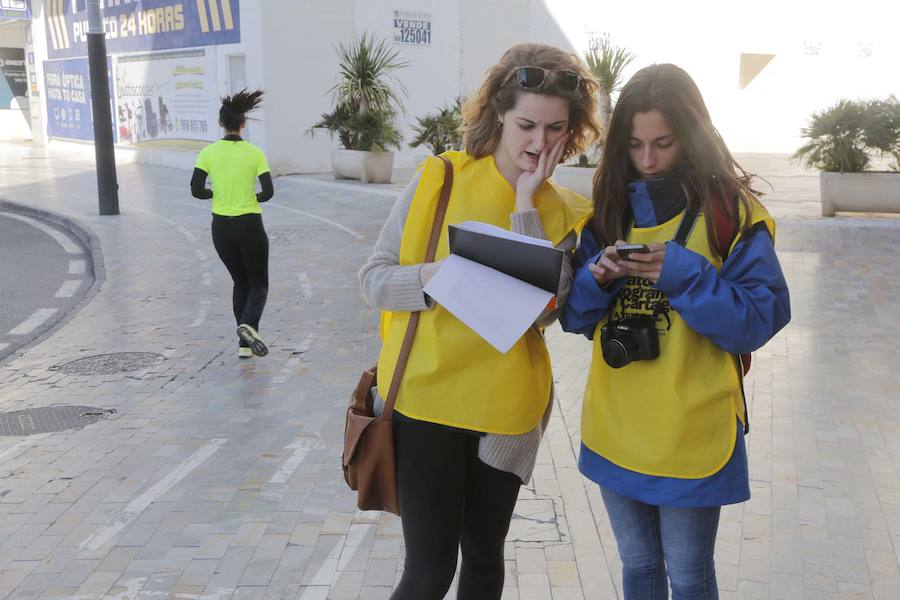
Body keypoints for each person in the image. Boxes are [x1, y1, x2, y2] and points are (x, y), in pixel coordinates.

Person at [359, 43, 601, 599]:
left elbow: (547, 312)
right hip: (424, 403)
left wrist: (525, 202)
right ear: (497, 113)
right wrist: (436, 277)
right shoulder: (440, 179)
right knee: (427, 572)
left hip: (506, 411)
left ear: (573, 130)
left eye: (555, 129)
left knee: (486, 561)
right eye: (526, 125)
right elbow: (374, 279)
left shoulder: (566, 211)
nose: (539, 144)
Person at [560, 63, 791, 599]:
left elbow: (757, 320)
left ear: (690, 136)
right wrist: (597, 278)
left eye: (663, 143)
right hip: (617, 426)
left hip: (693, 431)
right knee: (638, 565)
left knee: (688, 576)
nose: (647, 160)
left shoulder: (731, 213)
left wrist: (683, 274)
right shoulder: (608, 212)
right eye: (635, 145)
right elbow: (574, 317)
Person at [191, 89, 274, 359]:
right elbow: (269, 191)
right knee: (258, 284)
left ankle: (244, 346)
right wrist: (253, 197)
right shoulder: (254, 153)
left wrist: (215, 194)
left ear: (220, 124)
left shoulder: (208, 153)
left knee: (240, 283)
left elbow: (195, 189)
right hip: (249, 224)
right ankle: (249, 327)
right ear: (243, 124)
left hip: (221, 229)